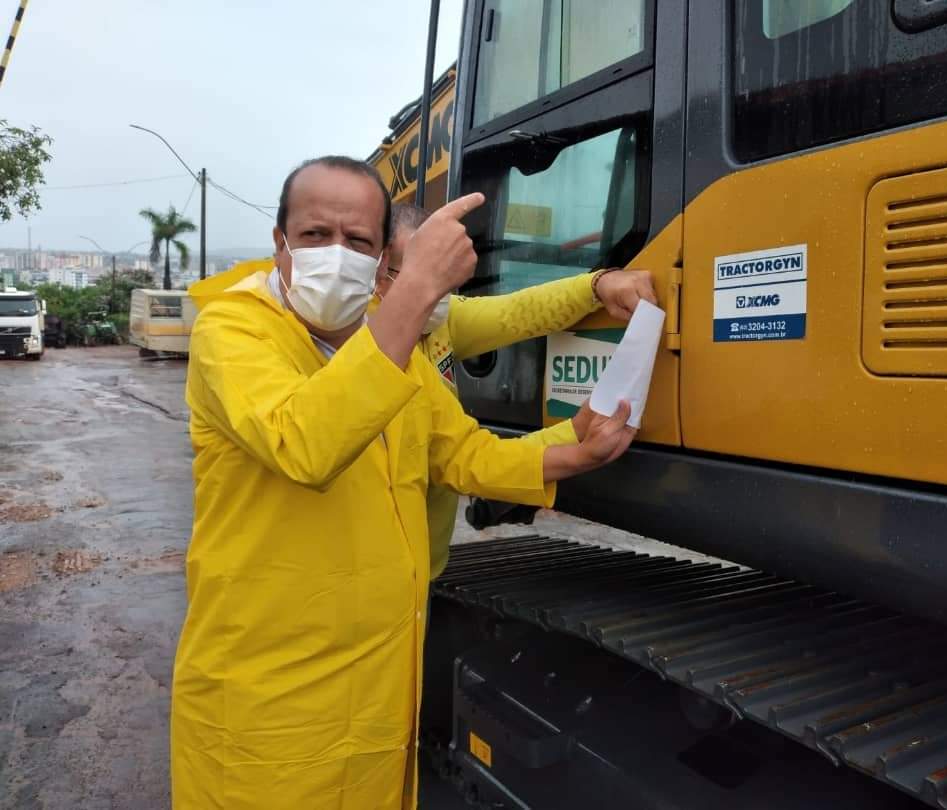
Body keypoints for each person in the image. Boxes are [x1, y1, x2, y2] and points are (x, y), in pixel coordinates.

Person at [170, 156, 636, 809]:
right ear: (279, 243)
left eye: (357, 241)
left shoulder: (394, 348)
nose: (337, 254)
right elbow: (306, 444)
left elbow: (463, 452)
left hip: (376, 684)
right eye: (314, 236)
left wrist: (571, 448)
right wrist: (416, 290)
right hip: (268, 696)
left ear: (377, 252)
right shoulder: (236, 330)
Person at [379, 203, 657, 585]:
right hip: (377, 579)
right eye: (419, 275)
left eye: (445, 278)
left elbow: (519, 312)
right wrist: (574, 437)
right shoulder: (372, 351)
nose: (438, 292)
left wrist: (598, 285)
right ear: (378, 273)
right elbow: (467, 460)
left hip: (420, 571)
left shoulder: (437, 320)